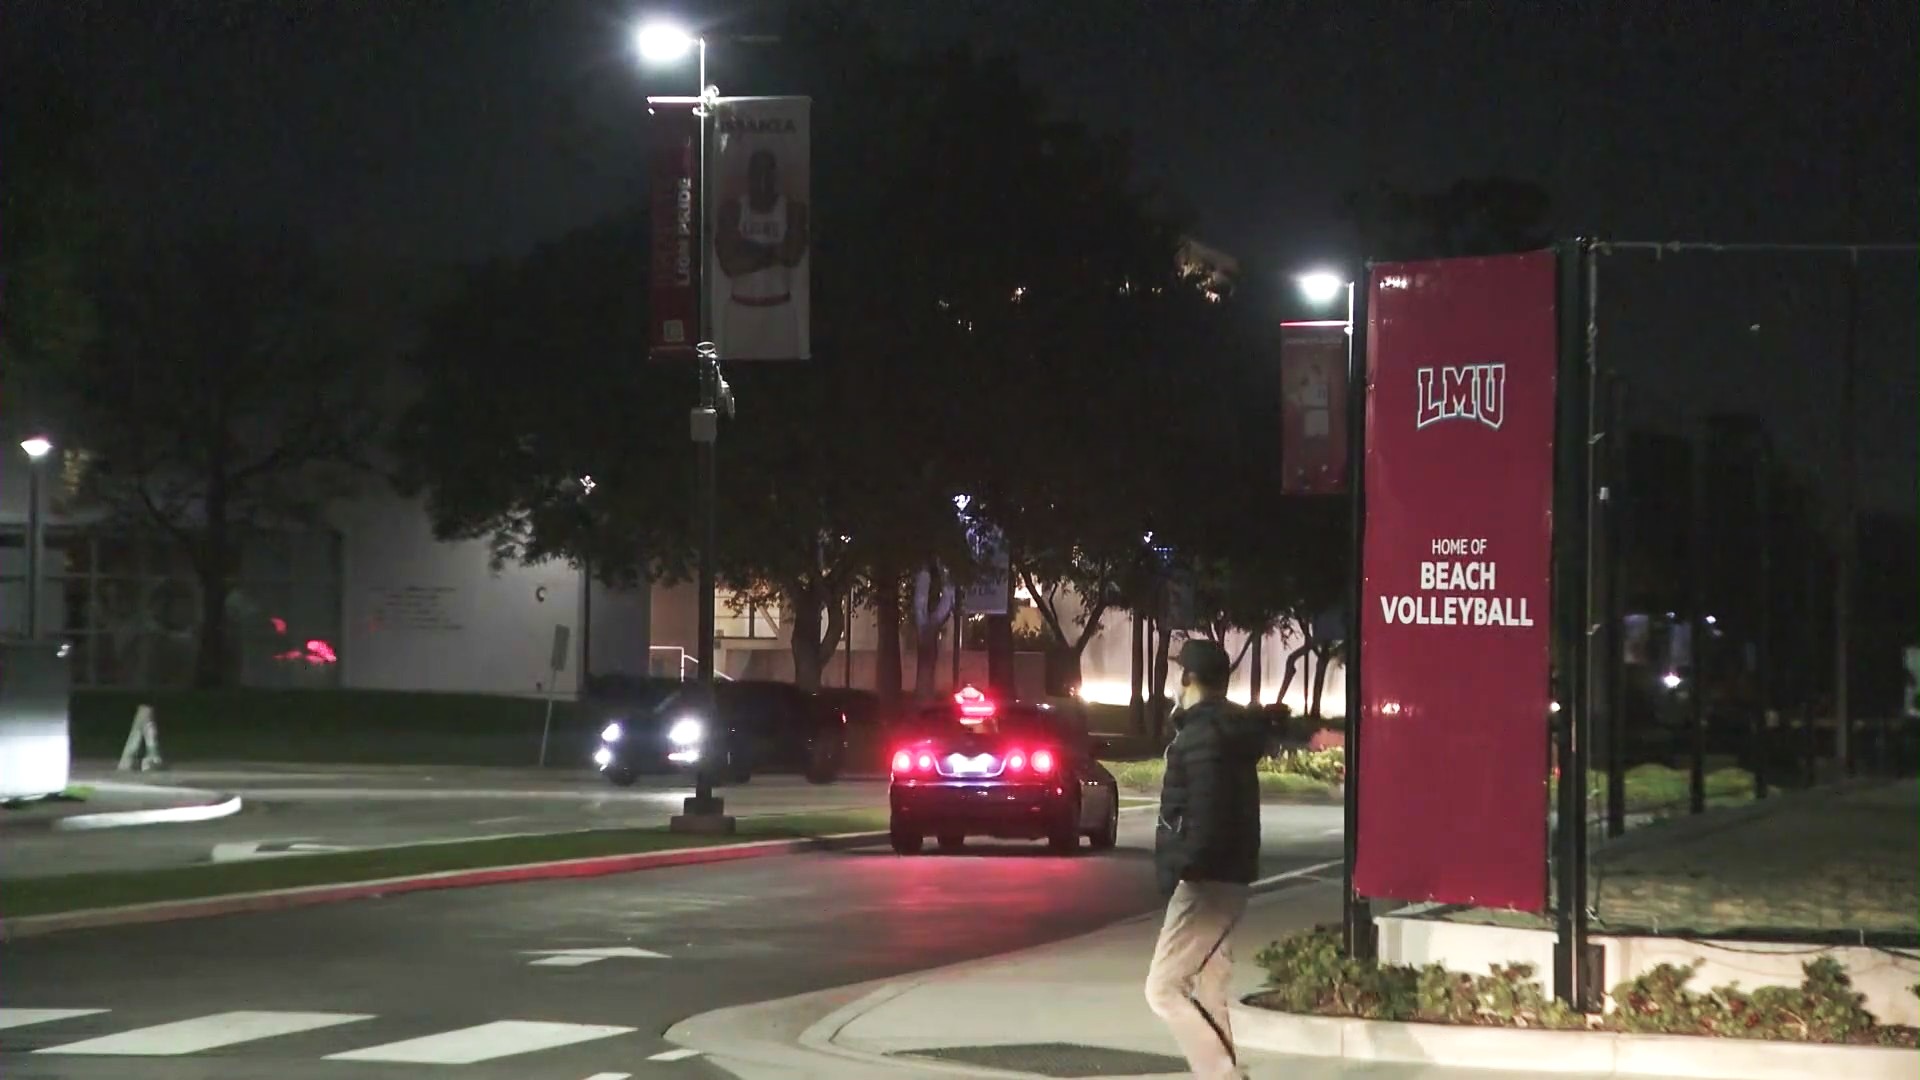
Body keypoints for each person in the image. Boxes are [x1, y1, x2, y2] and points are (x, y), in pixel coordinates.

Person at [1146, 638, 1266, 1080]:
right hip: (1232, 879)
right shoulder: (1230, 733)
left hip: (1206, 881)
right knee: (1211, 987)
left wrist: (1184, 866)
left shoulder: (1200, 737)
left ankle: (1222, 1075)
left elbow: (1205, 811)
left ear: (1188, 679)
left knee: (1162, 989)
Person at [713, 148, 809, 360]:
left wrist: (746, 246)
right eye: (758, 173)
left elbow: (792, 255)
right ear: (749, 176)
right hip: (741, 312)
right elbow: (730, 264)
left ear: (775, 176)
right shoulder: (732, 209)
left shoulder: (793, 209)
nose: (763, 180)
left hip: (780, 313)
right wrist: (775, 252)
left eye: (768, 173)